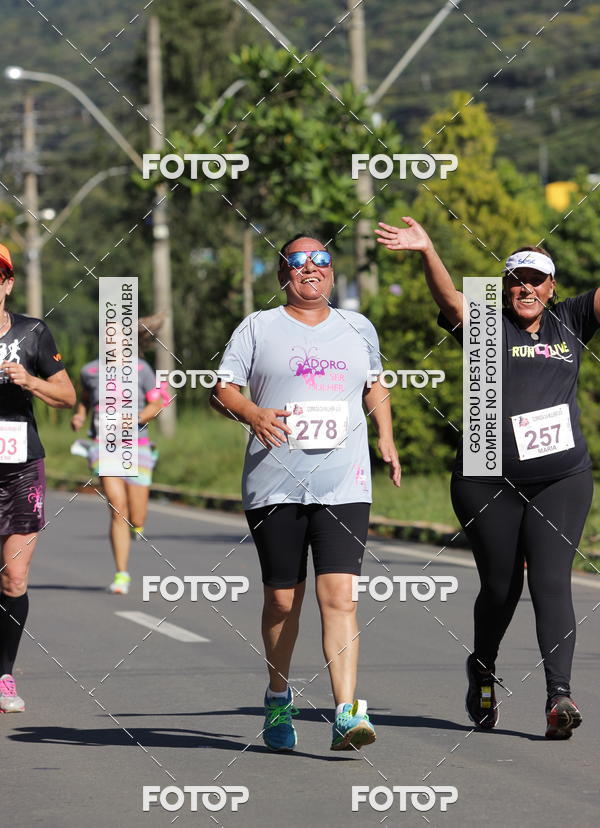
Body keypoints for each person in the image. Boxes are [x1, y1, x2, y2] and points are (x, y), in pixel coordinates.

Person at [376, 216, 599, 740]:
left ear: (552, 286)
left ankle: (558, 697)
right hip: (486, 479)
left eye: (536, 279)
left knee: (550, 582)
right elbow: (452, 299)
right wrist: (428, 250)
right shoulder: (485, 322)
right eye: (517, 279)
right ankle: (483, 668)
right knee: (502, 586)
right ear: (505, 287)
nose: (526, 288)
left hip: (561, 476)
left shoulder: (570, 320)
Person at [211, 233, 401, 753]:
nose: (311, 269)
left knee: (339, 595)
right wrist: (250, 412)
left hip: (344, 482)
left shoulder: (358, 327)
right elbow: (220, 389)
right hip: (275, 484)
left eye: (321, 260)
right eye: (299, 262)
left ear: (332, 272)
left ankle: (346, 712)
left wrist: (385, 434)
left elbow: (375, 383)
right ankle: (278, 696)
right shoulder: (258, 327)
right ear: (283, 275)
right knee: (281, 599)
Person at [0, 243, 76, 713]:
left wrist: (31, 381)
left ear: (6, 283)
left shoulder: (32, 333)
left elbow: (66, 396)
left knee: (14, 577)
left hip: (20, 465)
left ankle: (3, 675)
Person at [70, 316, 166, 594]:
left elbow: (157, 403)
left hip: (137, 446)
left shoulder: (141, 369)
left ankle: (137, 526)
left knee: (137, 517)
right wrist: (79, 416)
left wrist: (136, 417)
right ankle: (122, 574)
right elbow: (84, 400)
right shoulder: (89, 371)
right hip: (104, 446)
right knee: (117, 507)